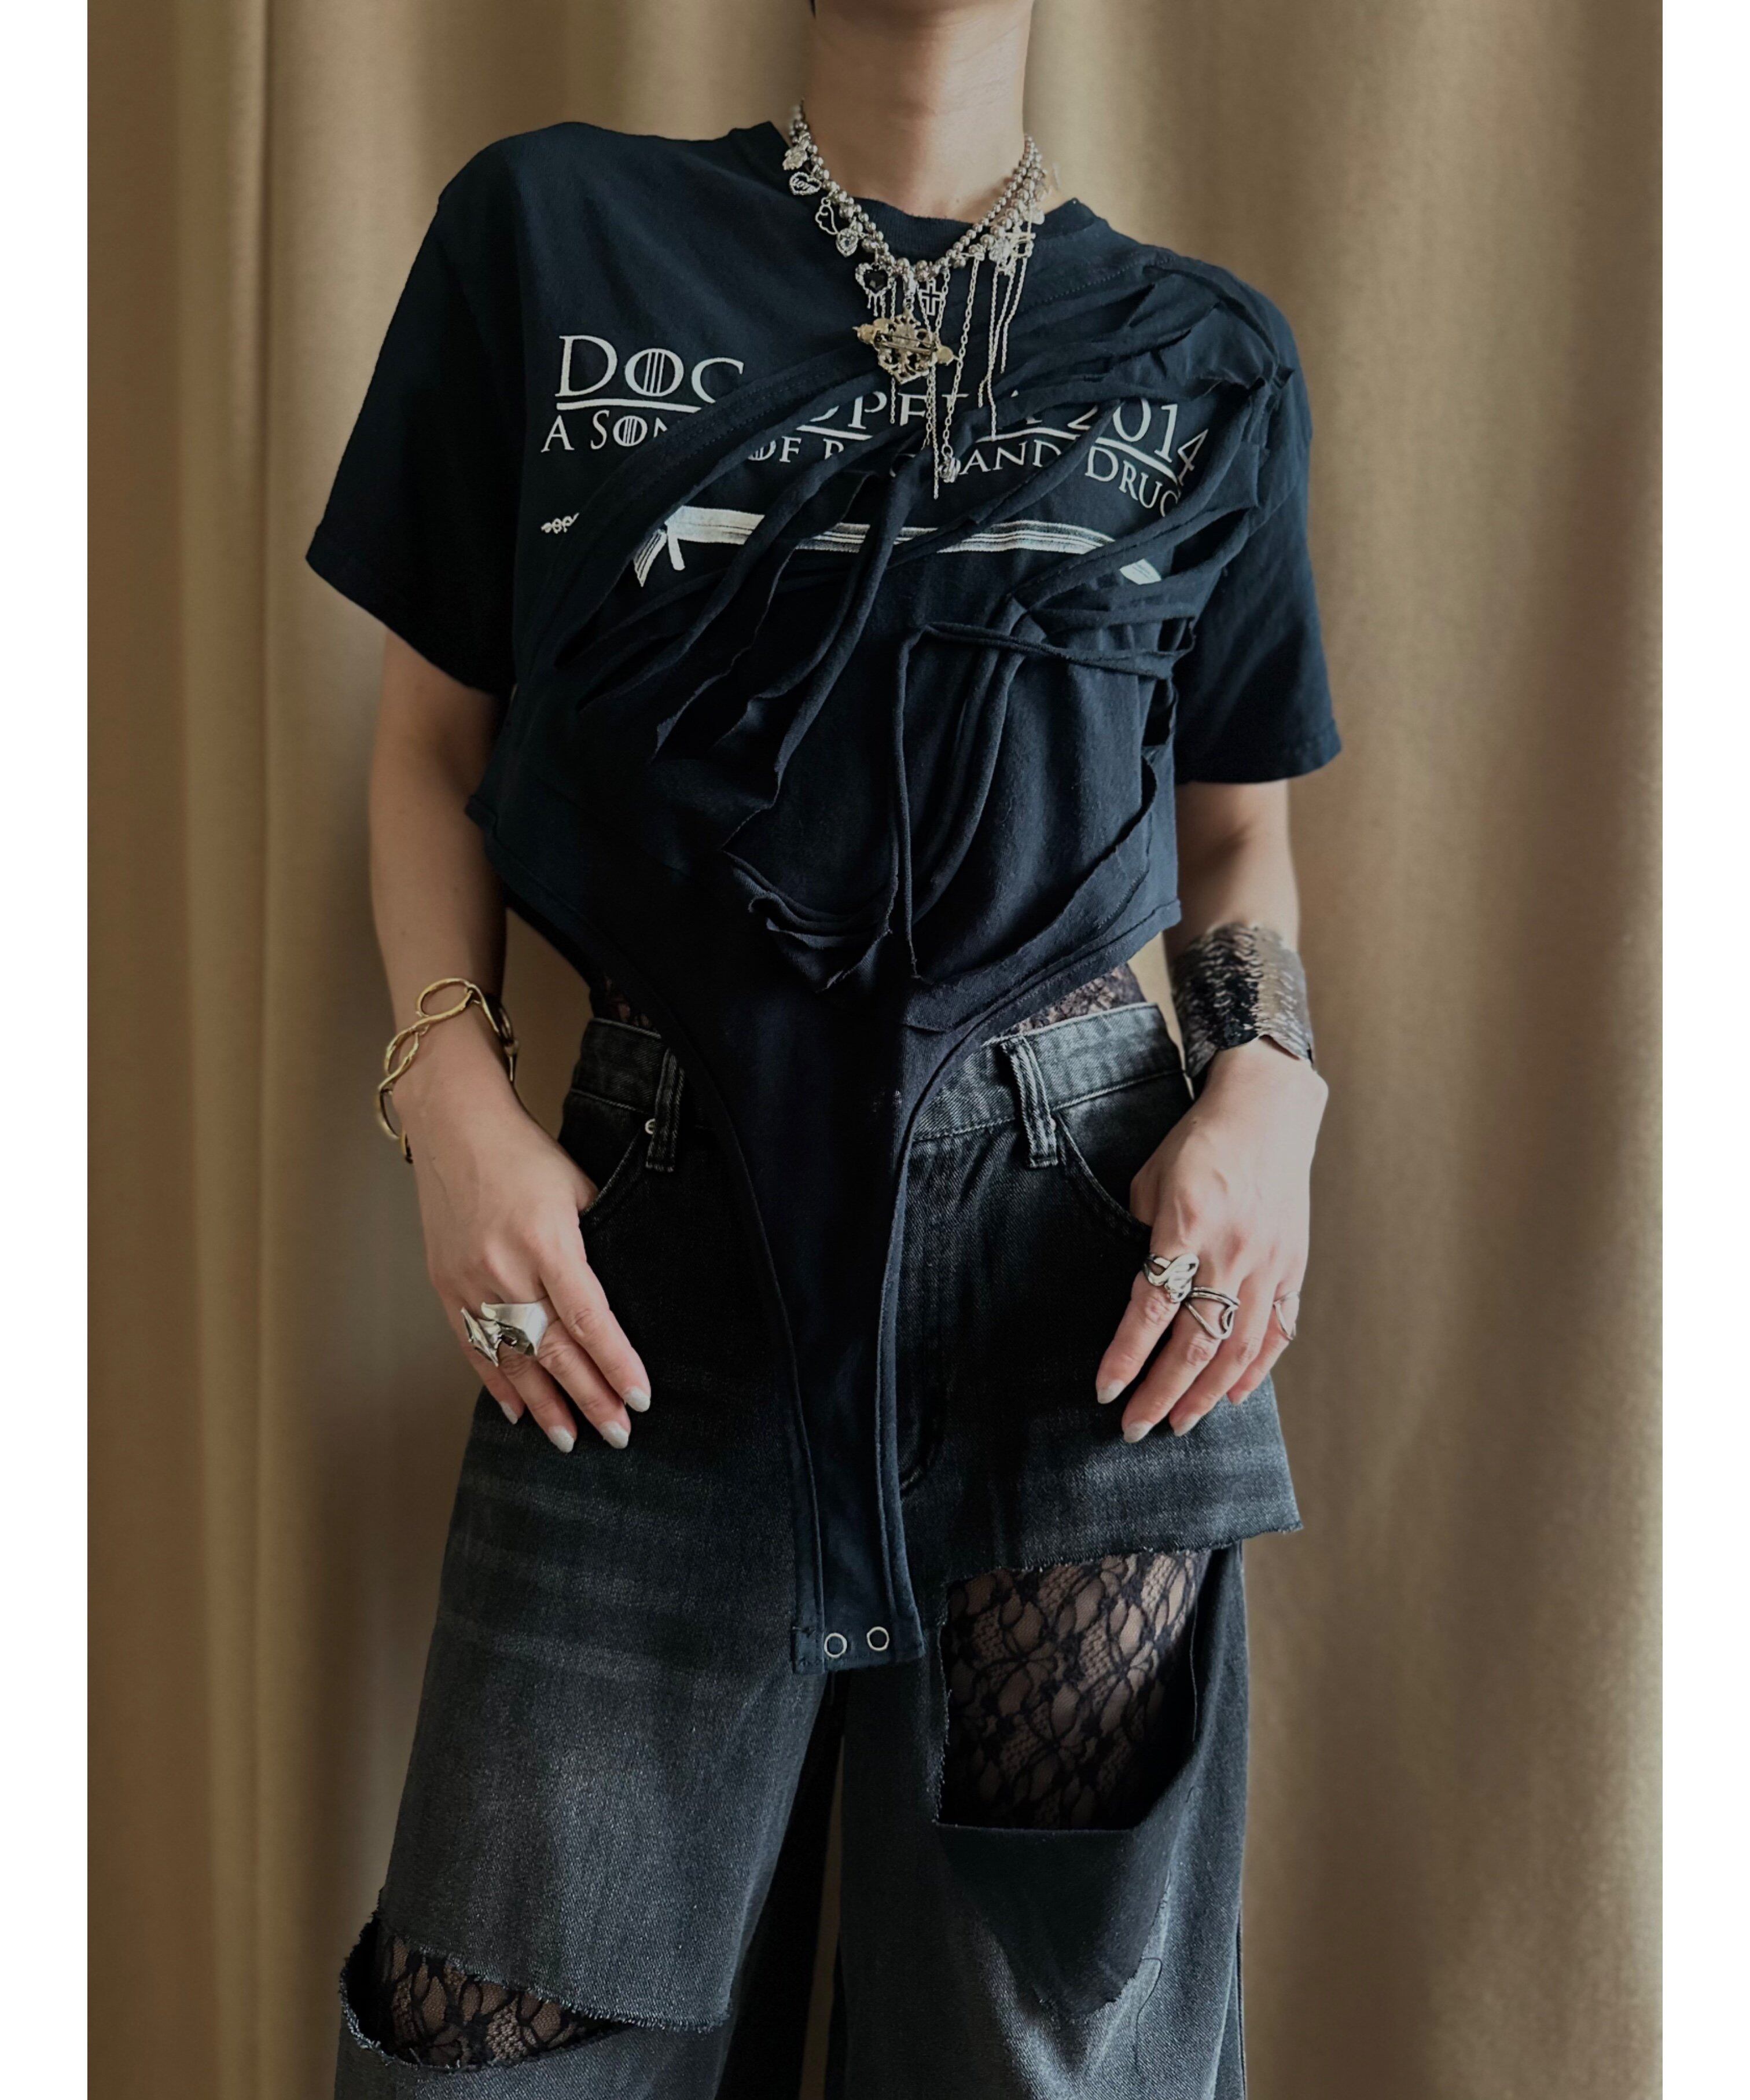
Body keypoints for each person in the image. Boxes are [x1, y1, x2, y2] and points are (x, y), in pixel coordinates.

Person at [309, 1, 1338, 2091]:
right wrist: (451, 1102)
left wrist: (1272, 1089)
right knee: (499, 2045)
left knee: (1045, 2052)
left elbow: (1235, 837)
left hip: (1087, 1293)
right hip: (646, 1272)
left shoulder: (1206, 353)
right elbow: (428, 743)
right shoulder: (554, 235)